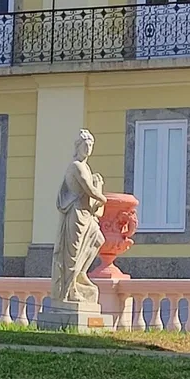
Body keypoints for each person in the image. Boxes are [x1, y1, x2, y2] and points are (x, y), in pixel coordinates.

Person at [50, 129, 107, 307]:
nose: (88, 148)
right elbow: (87, 187)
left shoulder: (86, 167)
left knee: (98, 239)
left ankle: (81, 274)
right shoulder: (76, 166)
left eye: (91, 145)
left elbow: (90, 188)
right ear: (78, 146)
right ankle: (69, 291)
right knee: (72, 255)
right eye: (85, 145)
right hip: (76, 214)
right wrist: (103, 198)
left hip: (86, 213)